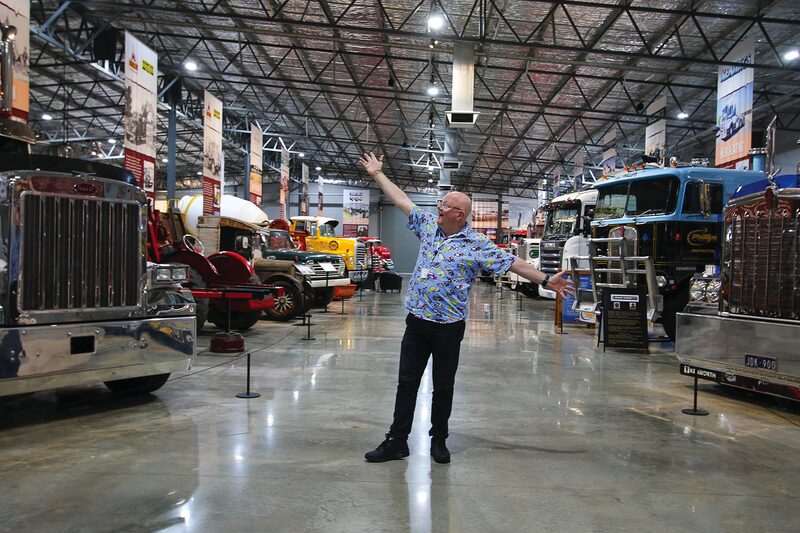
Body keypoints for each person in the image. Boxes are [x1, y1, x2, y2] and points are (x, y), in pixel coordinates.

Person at [358, 152, 573, 464]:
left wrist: (546, 279)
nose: (438, 207)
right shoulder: (428, 226)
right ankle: (397, 441)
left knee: (443, 386)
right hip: (417, 322)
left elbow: (512, 262)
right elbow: (402, 199)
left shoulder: (477, 244)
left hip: (448, 328)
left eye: (445, 205)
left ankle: (439, 440)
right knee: (407, 383)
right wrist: (378, 174)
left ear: (459, 215)